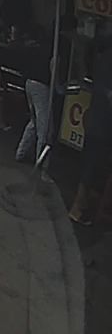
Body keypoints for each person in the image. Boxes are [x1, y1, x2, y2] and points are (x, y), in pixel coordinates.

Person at [70, 24, 112, 225]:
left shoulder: (101, 59)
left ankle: (83, 205)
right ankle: (78, 208)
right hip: (104, 122)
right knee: (93, 166)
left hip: (96, 118)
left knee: (91, 164)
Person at [13, 24, 53, 164]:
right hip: (41, 85)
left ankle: (21, 152)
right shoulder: (53, 49)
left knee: (34, 121)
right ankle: (41, 164)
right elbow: (54, 68)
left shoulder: (34, 48)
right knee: (44, 127)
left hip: (29, 83)